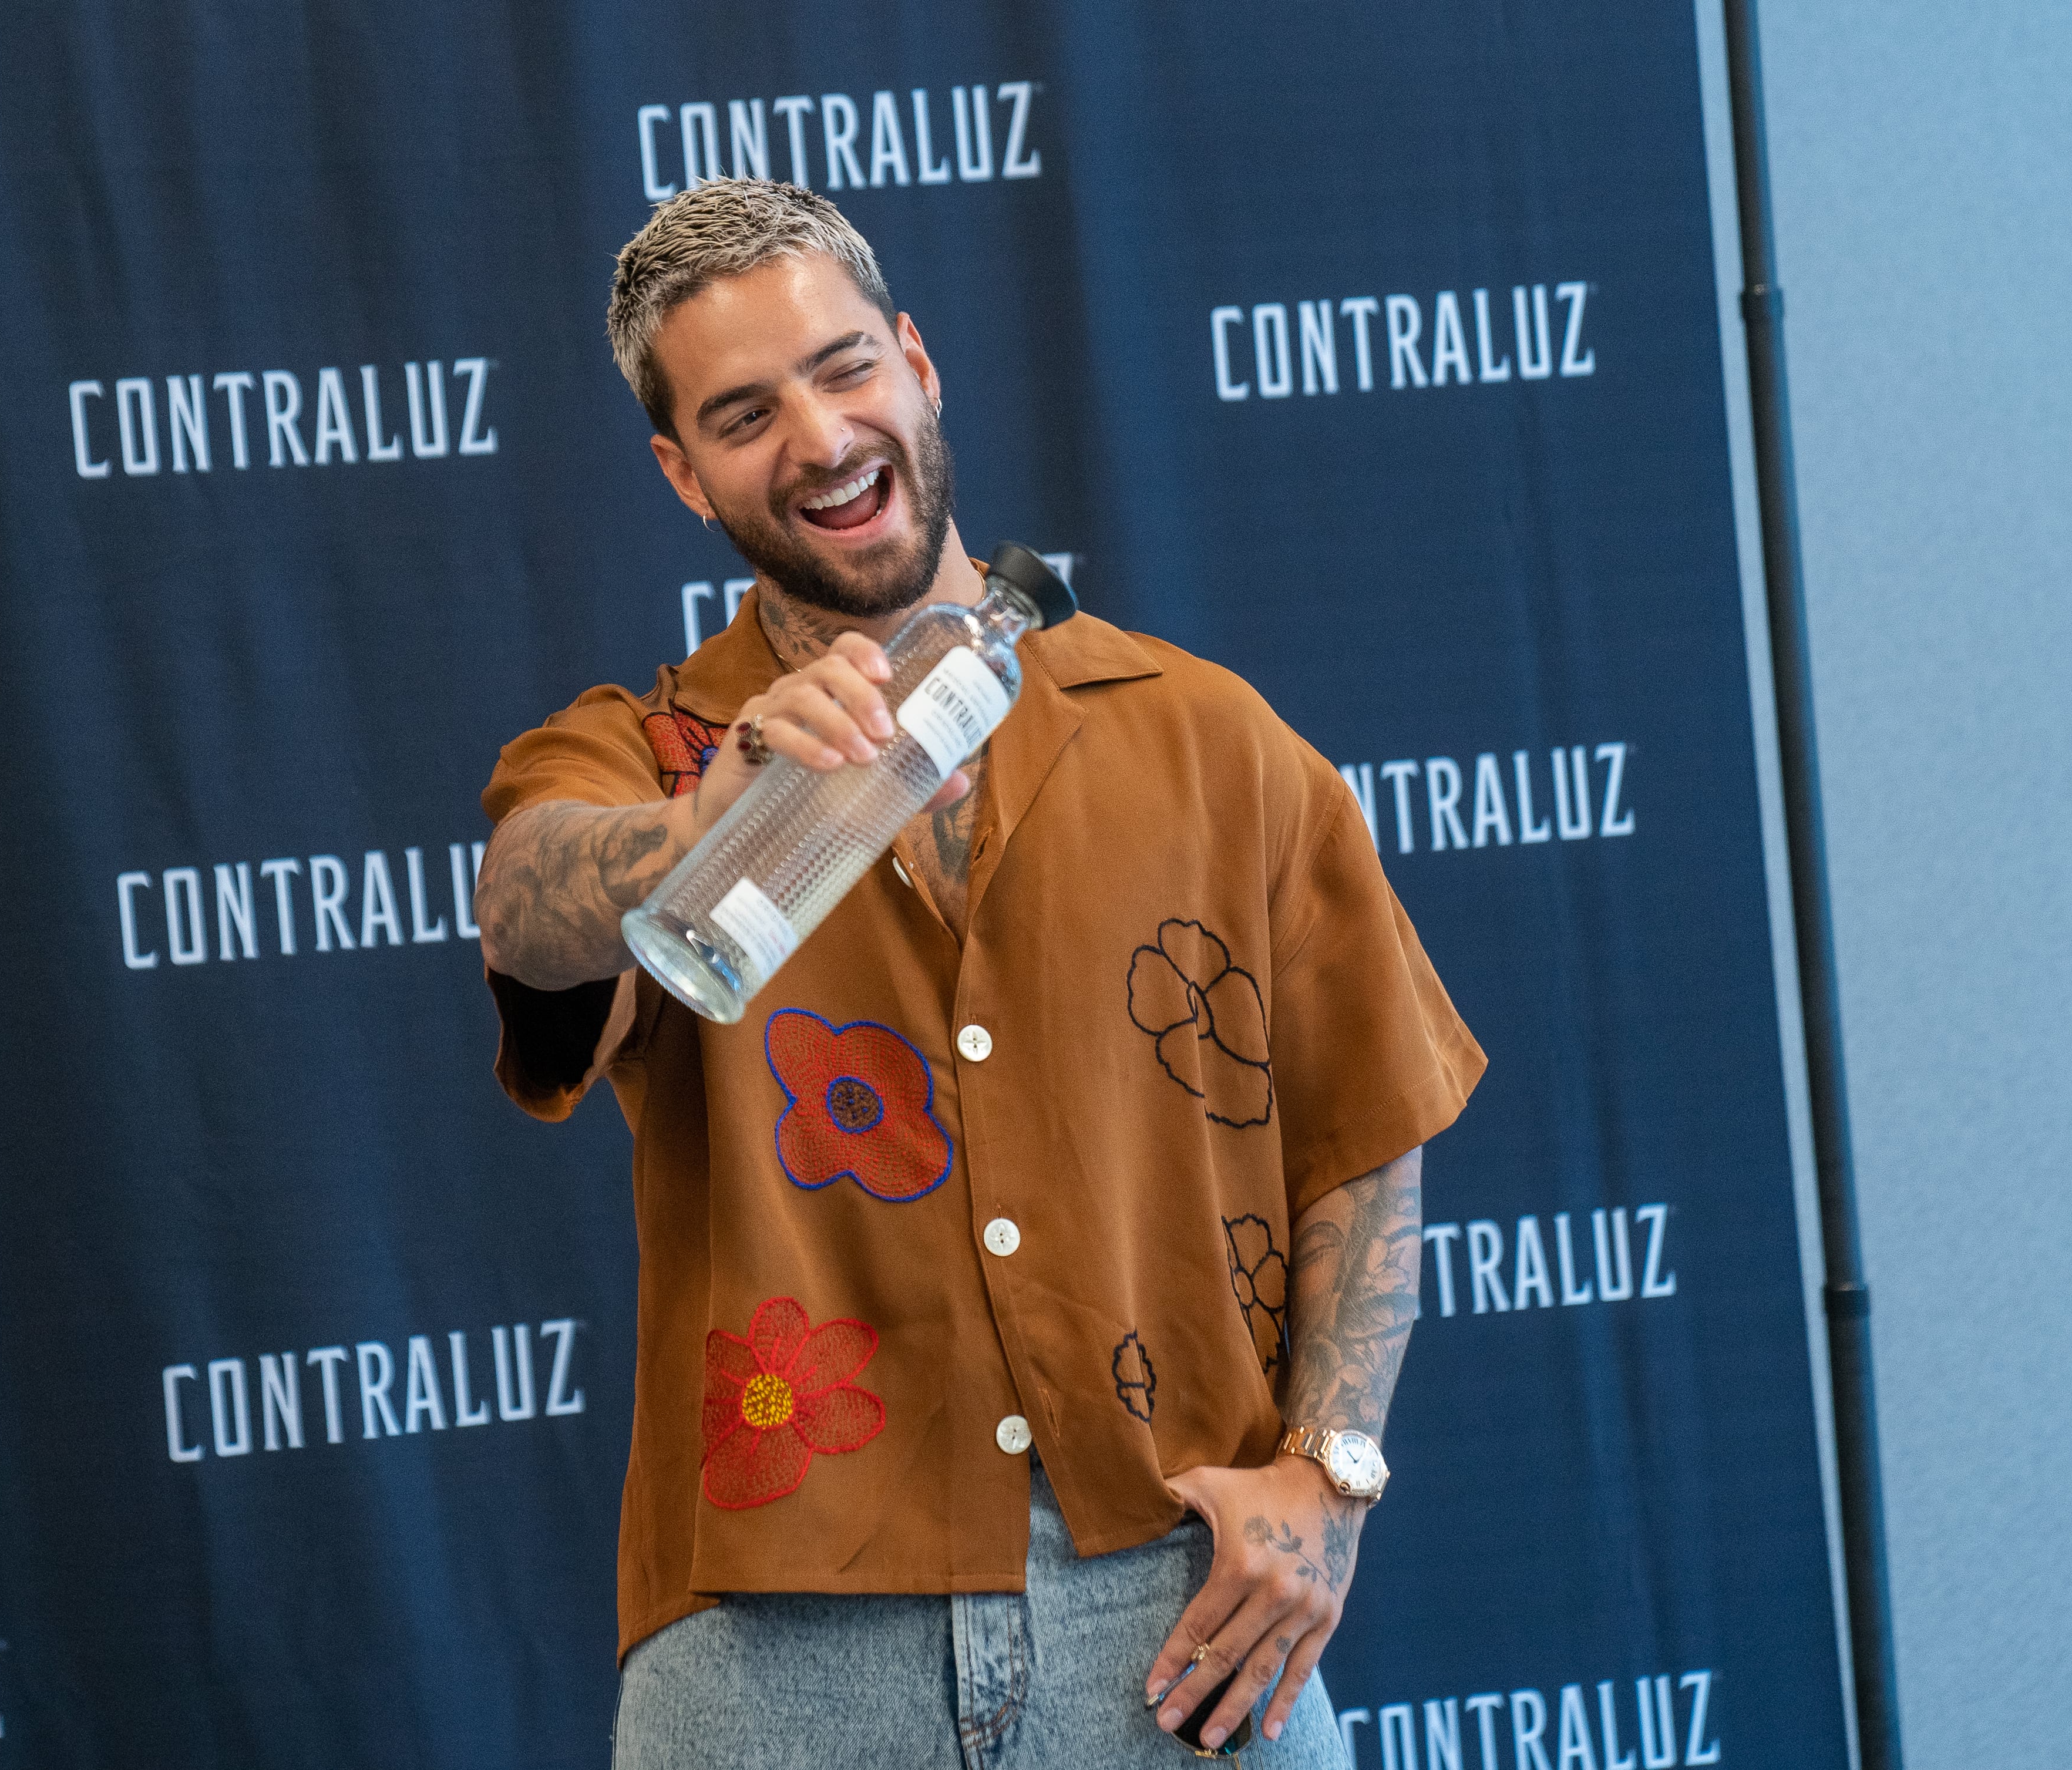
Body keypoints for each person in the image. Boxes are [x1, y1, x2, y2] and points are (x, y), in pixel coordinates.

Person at [476, 179, 1483, 1768]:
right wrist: (700, 824)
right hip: (776, 1627)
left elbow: (1366, 1134)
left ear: (919, 363)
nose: (816, 438)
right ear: (681, 474)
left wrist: (1328, 1478)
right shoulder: (642, 753)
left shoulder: (1212, 737)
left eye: (843, 366)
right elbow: (526, 903)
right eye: (743, 413)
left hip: (1177, 1608)